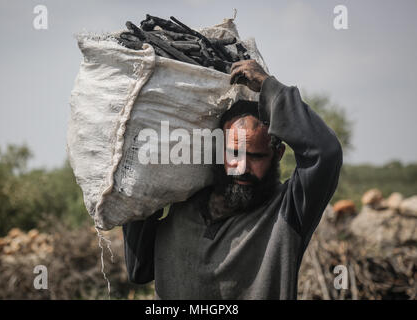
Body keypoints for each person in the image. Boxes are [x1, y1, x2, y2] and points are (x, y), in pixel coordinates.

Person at [122, 59, 343, 299]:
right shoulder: (183, 202)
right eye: (233, 154)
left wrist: (269, 87)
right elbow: (139, 270)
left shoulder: (288, 211)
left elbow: (325, 152)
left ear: (278, 154)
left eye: (256, 156)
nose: (242, 167)